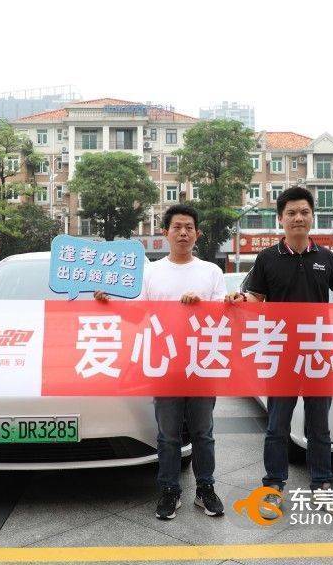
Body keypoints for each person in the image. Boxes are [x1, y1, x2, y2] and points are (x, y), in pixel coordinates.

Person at [225, 186, 333, 519]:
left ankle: (322, 486)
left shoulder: (326, 258)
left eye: (304, 212)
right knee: (277, 425)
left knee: (319, 426)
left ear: (312, 217)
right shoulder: (267, 258)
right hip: (282, 354)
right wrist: (240, 299)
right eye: (291, 213)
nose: (298, 218)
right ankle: (273, 487)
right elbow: (256, 298)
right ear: (281, 219)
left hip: (318, 354)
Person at [95, 204, 226, 521]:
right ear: (165, 232)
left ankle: (205, 489)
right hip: (164, 364)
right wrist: (108, 304)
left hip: (201, 364)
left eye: (189, 227)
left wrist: (201, 304)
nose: (183, 233)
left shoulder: (211, 271)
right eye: (177, 227)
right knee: (168, 435)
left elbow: (223, 313)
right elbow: (137, 315)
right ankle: (169, 491)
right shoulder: (151, 272)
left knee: (203, 433)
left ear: (197, 234)